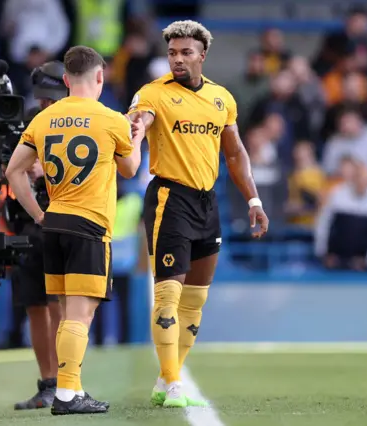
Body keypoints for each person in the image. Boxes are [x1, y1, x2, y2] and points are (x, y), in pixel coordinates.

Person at [127, 20, 270, 408]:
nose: (177, 59)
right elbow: (142, 119)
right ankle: (174, 382)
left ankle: (165, 378)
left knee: (195, 300)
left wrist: (254, 201)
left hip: (207, 203)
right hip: (170, 199)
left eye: (185, 52)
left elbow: (236, 153)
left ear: (202, 55)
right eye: (172, 52)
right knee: (168, 296)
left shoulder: (221, 98)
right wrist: (136, 128)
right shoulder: (152, 94)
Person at [5, 45, 144, 415]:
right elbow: (130, 168)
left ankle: (71, 387)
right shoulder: (110, 118)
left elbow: (13, 171)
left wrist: (38, 214)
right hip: (89, 225)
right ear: (100, 77)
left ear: (66, 81)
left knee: (66, 313)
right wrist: (140, 133)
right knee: (79, 317)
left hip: (54, 224)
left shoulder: (43, 119)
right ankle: (67, 394)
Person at [0, 61, 67, 410]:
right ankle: (47, 382)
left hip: (61, 216)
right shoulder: (26, 120)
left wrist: (43, 169)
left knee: (58, 304)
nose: (46, 105)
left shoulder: (77, 121)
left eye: (52, 98)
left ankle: (67, 381)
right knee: (35, 304)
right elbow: (0, 170)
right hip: (26, 222)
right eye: (42, 99)